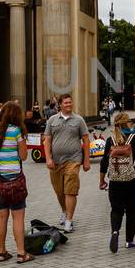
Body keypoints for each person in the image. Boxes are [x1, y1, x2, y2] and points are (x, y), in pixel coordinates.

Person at [99, 111, 135, 253]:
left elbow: (103, 163)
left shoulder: (111, 140)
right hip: (133, 180)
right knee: (132, 211)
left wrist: (102, 180)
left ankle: (115, 232)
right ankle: (129, 241)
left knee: (116, 209)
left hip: (115, 180)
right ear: (127, 123)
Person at [0, 101, 30, 262]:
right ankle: (21, 253)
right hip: (13, 179)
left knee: (1, 216)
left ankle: (2, 251)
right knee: (17, 216)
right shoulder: (16, 131)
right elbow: (24, 156)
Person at [45, 93, 90, 232]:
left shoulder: (78, 120)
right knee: (59, 191)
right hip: (56, 162)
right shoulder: (52, 120)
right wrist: (48, 158)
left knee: (70, 190)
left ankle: (69, 220)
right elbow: (47, 140)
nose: (69, 104)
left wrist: (86, 160)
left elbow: (86, 140)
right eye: (66, 103)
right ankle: (64, 211)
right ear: (60, 104)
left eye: (70, 102)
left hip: (73, 160)